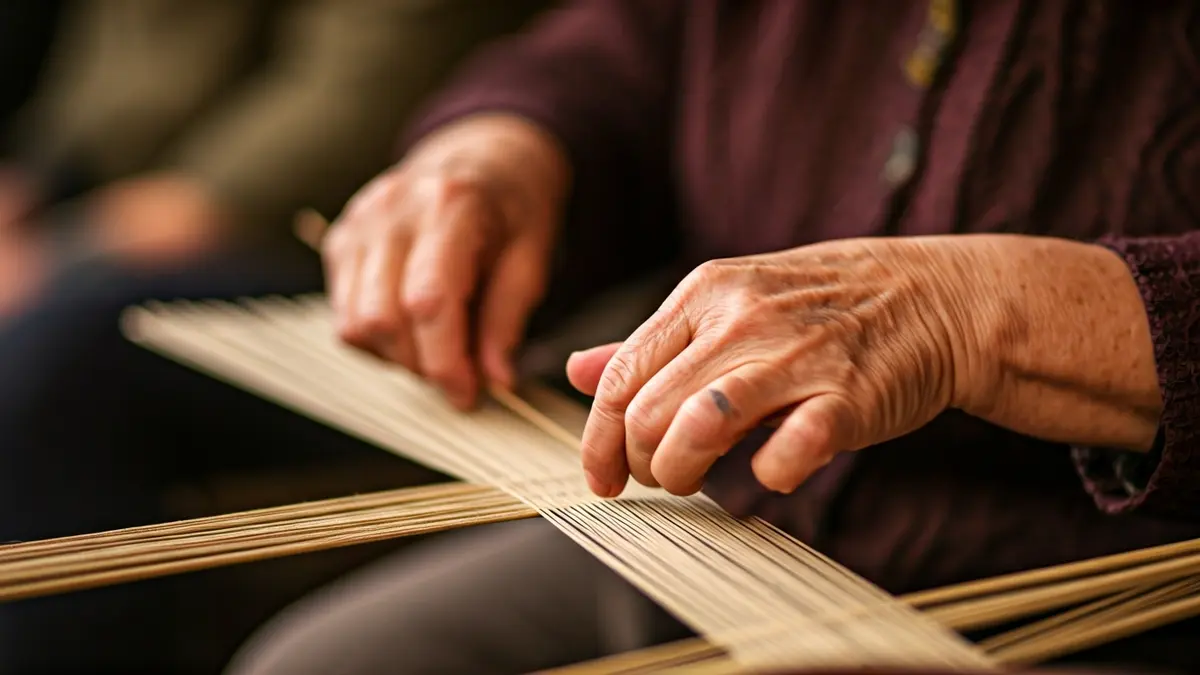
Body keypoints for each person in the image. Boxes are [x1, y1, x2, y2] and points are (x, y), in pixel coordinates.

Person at [226, 1, 1200, 673]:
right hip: (738, 523)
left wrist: (976, 310)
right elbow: (635, 49)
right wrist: (509, 143)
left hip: (1094, 604)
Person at [0, 2, 554, 673]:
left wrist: (70, 244)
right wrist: (39, 186)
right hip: (123, 206)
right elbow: (113, 86)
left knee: (52, 362)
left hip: (308, 245)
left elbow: (359, 98)